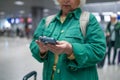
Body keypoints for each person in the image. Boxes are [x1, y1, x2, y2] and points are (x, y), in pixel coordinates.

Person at [29, 0, 106, 80]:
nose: (66, 0)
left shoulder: (88, 20)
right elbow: (34, 44)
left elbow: (98, 50)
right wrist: (42, 50)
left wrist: (71, 50)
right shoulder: (47, 21)